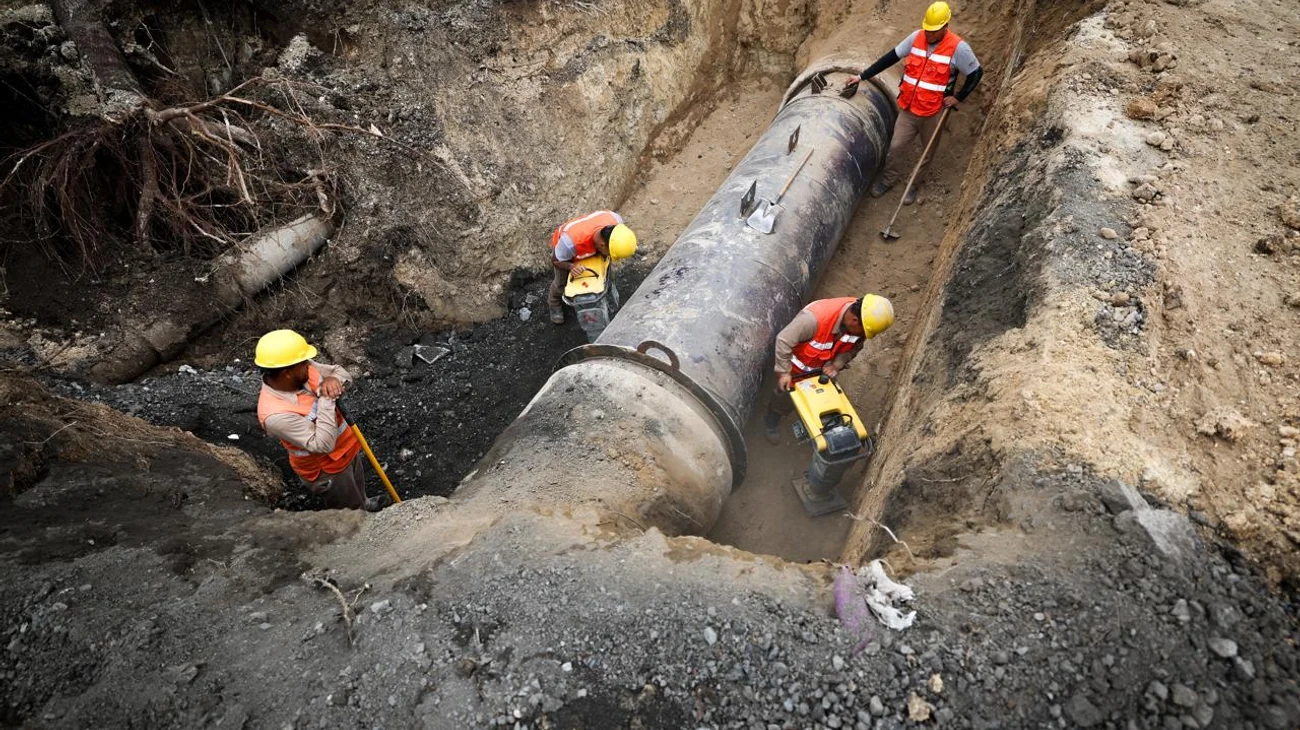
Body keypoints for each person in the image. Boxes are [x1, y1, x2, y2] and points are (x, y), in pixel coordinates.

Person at [846, 1, 983, 205]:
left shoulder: (958, 48)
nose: (929, 35)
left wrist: (958, 97)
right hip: (909, 108)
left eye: (934, 31)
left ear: (946, 26)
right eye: (927, 29)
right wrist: (862, 76)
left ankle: (914, 185)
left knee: (927, 153)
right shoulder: (916, 37)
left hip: (934, 112)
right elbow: (889, 58)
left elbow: (976, 73)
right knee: (896, 146)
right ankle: (889, 179)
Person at [254, 329, 380, 511]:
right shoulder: (274, 415)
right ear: (287, 373)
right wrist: (327, 397)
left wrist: (333, 380)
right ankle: (364, 524)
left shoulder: (301, 370)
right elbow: (323, 444)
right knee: (350, 511)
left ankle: (365, 502)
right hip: (328, 470)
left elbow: (341, 373)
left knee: (357, 485)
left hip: (347, 448)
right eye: (304, 363)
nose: (309, 364)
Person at [764, 295, 895, 444]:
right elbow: (783, 340)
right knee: (783, 400)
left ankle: (817, 429)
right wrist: (784, 372)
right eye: (863, 332)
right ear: (854, 320)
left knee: (824, 403)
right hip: (795, 374)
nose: (863, 336)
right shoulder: (813, 320)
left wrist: (837, 365)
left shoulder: (861, 322)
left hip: (822, 374)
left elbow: (853, 349)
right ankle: (771, 422)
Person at [547, 210, 638, 324]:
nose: (611, 255)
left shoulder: (615, 220)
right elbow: (555, 261)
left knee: (606, 270)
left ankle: (606, 289)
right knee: (560, 283)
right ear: (602, 245)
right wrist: (571, 266)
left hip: (589, 246)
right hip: (566, 254)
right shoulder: (569, 243)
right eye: (610, 252)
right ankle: (554, 304)